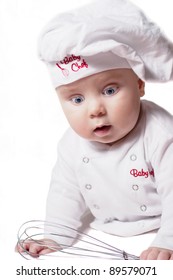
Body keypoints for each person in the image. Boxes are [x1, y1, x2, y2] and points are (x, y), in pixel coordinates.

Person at [16, 0, 173, 259]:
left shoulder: (160, 134)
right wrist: (54, 236)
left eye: (110, 90)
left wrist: (167, 241)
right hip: (103, 230)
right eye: (77, 99)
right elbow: (65, 192)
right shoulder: (71, 145)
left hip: (158, 225)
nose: (95, 110)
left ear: (139, 85)